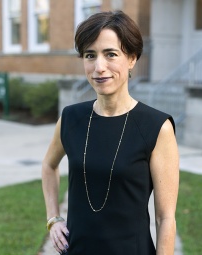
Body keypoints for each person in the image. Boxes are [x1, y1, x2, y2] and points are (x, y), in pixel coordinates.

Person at [42, 11, 179, 255]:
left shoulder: (156, 127)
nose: (99, 67)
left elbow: (165, 218)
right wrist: (53, 218)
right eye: (90, 55)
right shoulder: (71, 118)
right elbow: (49, 166)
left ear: (132, 59)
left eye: (111, 54)